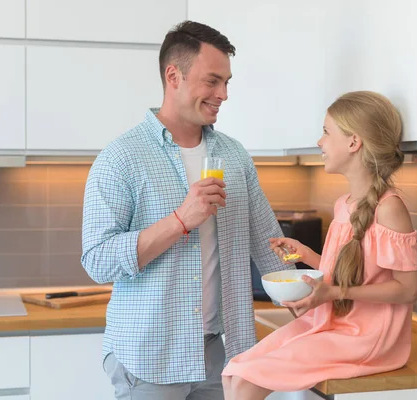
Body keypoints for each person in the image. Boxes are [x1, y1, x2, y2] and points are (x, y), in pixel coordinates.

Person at [81, 20, 291, 400]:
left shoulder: (234, 155)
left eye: (227, 82)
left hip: (222, 353)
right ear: (173, 76)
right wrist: (180, 220)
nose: (223, 94)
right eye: (212, 81)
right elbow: (97, 261)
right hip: (150, 358)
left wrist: (311, 302)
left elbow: (268, 244)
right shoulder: (121, 158)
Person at [221, 91, 417, 399]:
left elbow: (407, 289)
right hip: (336, 324)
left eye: (326, 132)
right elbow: (348, 271)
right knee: (234, 370)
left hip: (368, 337)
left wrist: (334, 292)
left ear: (354, 143)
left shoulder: (389, 208)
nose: (319, 141)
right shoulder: (344, 204)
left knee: (247, 381)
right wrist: (308, 254)